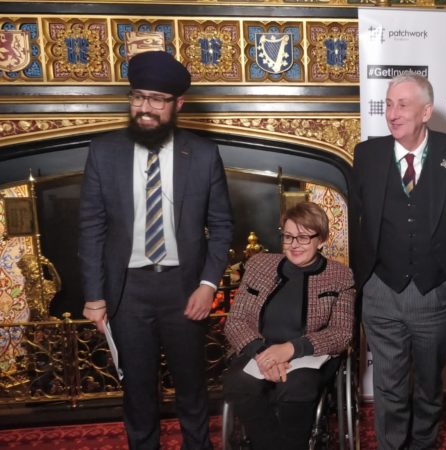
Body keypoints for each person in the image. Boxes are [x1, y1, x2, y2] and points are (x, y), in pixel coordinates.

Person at [79, 50, 233, 449]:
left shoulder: (202, 154)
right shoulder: (103, 151)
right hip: (128, 292)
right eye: (138, 97)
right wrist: (95, 297)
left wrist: (207, 284)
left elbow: (221, 227)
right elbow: (92, 228)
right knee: (138, 394)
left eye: (157, 100)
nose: (145, 108)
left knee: (192, 391)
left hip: (184, 291)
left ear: (177, 104)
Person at [350, 72, 446, 449]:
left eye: (402, 105)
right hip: (381, 292)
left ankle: (423, 443)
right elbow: (359, 223)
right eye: (388, 104)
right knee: (388, 387)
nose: (392, 113)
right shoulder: (367, 154)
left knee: (428, 384)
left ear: (426, 111)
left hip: (435, 293)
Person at [223, 201, 355, 450]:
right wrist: (264, 354)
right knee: (237, 384)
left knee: (297, 388)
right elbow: (236, 320)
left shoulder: (340, 276)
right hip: (258, 352)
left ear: (322, 239)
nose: (294, 245)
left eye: (304, 237)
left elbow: (341, 333)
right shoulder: (258, 265)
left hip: (308, 357)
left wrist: (290, 349)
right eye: (288, 236)